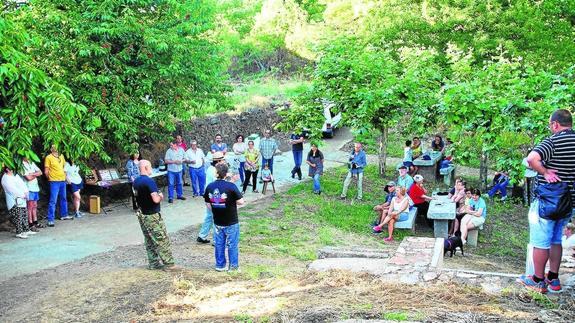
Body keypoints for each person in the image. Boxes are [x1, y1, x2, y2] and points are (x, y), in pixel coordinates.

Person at [519, 109, 575, 293]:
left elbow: (532, 158)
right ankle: (554, 278)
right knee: (556, 239)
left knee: (540, 241)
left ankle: (537, 280)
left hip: (547, 200)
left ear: (555, 124)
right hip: (568, 202)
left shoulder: (553, 141)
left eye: (551, 124)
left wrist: (545, 172)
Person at [133, 160, 178, 271]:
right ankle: (169, 264)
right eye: (150, 166)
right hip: (152, 214)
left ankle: (153, 262)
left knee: (149, 239)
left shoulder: (136, 181)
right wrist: (161, 196)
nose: (151, 168)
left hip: (142, 213)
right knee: (161, 238)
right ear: (146, 167)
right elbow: (156, 199)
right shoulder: (149, 182)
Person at [204, 163, 245, 271]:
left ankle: (220, 265)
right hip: (231, 220)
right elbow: (241, 201)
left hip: (217, 220)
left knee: (219, 244)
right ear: (226, 174)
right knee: (232, 244)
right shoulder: (231, 186)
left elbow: (208, 204)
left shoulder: (210, 186)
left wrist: (216, 208)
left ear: (216, 173)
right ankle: (233, 267)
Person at [197, 152, 226, 244]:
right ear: (218, 161)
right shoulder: (214, 171)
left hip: (209, 195)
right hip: (214, 196)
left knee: (209, 216)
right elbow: (218, 182)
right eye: (222, 160)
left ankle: (202, 235)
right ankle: (216, 240)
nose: (224, 162)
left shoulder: (211, 168)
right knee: (216, 217)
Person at [2, 166, 35, 239]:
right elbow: (12, 189)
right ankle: (19, 232)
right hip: (14, 200)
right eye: (11, 168)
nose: (13, 170)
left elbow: (22, 184)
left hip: (22, 199)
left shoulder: (15, 175)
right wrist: (22, 195)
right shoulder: (5, 178)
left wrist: (26, 192)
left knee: (24, 215)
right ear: (7, 169)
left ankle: (26, 230)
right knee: (18, 216)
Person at [45, 145, 70, 226]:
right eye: (54, 147)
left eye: (57, 147)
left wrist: (66, 178)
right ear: (51, 149)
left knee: (63, 198)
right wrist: (50, 178)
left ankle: (64, 215)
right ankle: (50, 219)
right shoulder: (48, 157)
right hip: (54, 182)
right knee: (53, 200)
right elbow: (46, 171)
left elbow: (64, 167)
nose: (56, 148)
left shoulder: (61, 156)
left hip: (62, 181)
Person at [22, 157, 43, 230]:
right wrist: (35, 174)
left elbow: (40, 172)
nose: (28, 157)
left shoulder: (32, 163)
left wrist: (32, 174)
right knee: (30, 206)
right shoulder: (22, 165)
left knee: (35, 205)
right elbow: (28, 178)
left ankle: (35, 222)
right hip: (29, 188)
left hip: (35, 188)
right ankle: (30, 224)